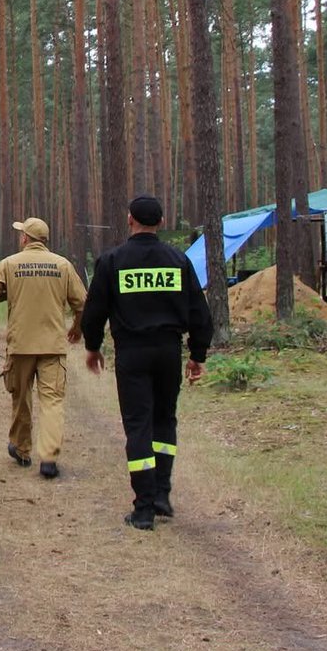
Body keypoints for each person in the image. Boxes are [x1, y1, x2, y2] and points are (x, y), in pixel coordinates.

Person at [81, 194, 213, 530]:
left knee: (138, 425)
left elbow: (94, 310)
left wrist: (93, 347)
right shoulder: (178, 260)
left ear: (129, 219)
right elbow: (200, 313)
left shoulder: (112, 261)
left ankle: (143, 510)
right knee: (164, 422)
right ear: (162, 223)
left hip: (132, 353)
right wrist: (197, 355)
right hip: (169, 351)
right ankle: (161, 495)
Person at [0, 216, 86, 478]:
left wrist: (9, 292)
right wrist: (76, 328)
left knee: (21, 399)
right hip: (53, 347)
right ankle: (48, 459)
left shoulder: (10, 264)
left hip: (20, 346)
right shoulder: (63, 265)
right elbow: (82, 303)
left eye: (20, 234)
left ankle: (22, 450)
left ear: (25, 238)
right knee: (52, 402)